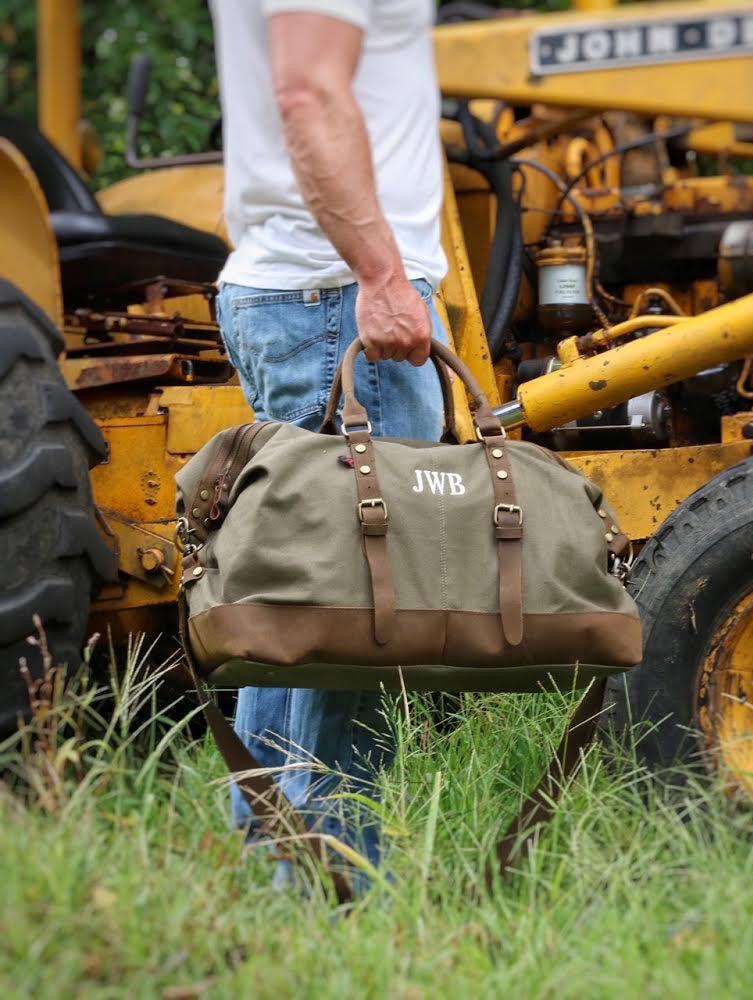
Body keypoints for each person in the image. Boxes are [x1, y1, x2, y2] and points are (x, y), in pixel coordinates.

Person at [208, 0, 447, 884]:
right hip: (339, 294)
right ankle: (334, 882)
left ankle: (273, 873)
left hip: (308, 289)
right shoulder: (359, 286)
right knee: (364, 613)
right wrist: (383, 275)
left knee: (293, 599)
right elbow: (308, 91)